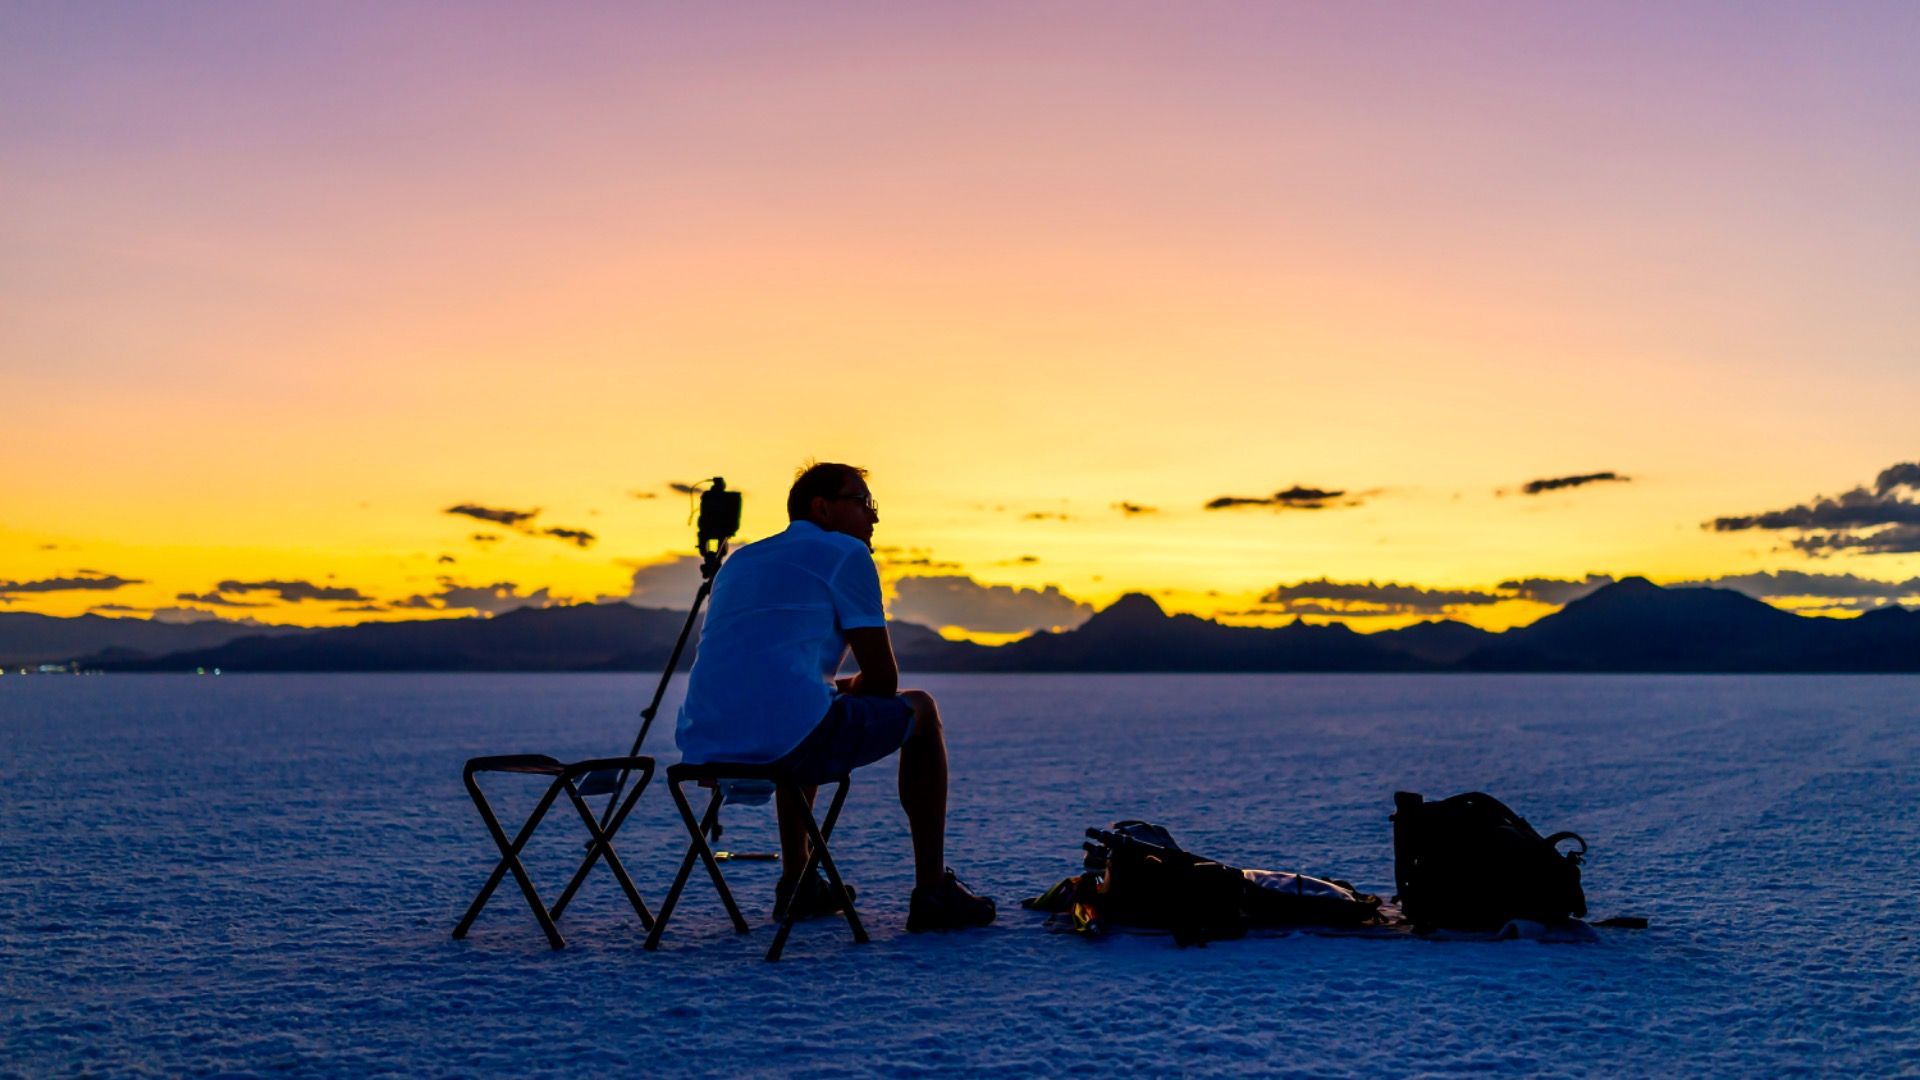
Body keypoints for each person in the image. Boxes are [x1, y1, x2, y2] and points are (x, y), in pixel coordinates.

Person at [675, 462, 996, 932]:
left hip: (704, 746)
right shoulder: (845, 554)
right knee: (921, 709)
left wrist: (833, 690)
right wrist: (842, 690)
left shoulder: (741, 561)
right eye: (864, 503)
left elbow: (766, 673)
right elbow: (884, 680)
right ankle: (932, 890)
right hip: (788, 741)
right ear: (821, 508)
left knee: (803, 711)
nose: (874, 518)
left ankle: (798, 881)